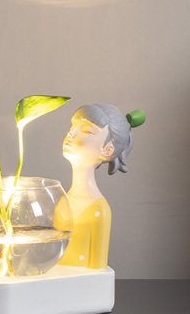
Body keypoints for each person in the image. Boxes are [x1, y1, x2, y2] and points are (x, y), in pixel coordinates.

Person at [58, 104, 145, 269]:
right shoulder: (63, 201)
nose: (71, 133)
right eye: (72, 127)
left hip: (85, 284)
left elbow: (98, 268)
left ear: (107, 149)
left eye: (86, 131)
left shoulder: (99, 209)